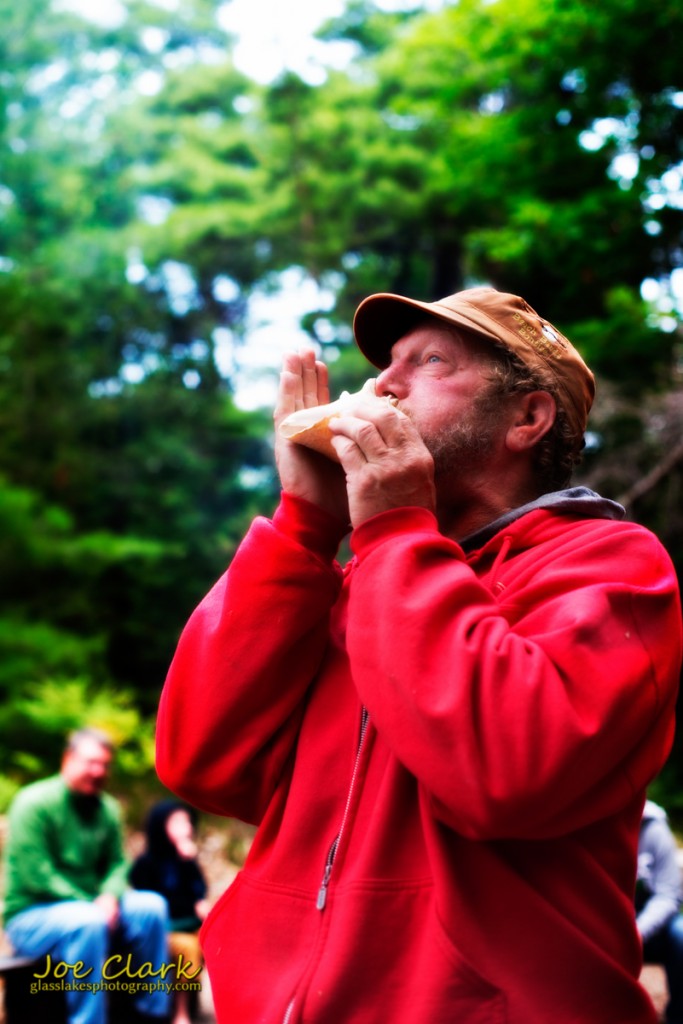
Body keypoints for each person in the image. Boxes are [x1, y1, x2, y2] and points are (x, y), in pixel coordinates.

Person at [155, 286, 683, 1023]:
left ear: (527, 419)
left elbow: (503, 774)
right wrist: (305, 526)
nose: (382, 386)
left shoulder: (611, 565)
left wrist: (395, 529)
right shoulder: (354, 585)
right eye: (385, 366)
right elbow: (202, 763)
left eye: (430, 362)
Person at [3, 727, 172, 1024]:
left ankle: (153, 1013)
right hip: (31, 916)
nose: (98, 771)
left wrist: (109, 896)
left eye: (105, 765)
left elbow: (118, 865)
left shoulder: (107, 808)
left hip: (92, 908)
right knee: (87, 921)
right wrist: (95, 904)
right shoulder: (34, 803)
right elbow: (37, 875)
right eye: (91, 762)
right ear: (67, 759)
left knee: (152, 907)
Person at [130, 800, 209, 1024]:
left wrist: (189, 863)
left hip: (190, 924)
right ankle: (180, 1011)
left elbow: (199, 890)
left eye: (187, 821)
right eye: (177, 822)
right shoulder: (146, 863)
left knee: (219, 939)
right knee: (187, 947)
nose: (186, 827)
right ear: (161, 826)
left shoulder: (186, 860)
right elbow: (159, 903)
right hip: (166, 929)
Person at [637, 800, 683, 1023]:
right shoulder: (588, 819)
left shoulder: (653, 828)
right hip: (605, 925)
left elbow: (668, 894)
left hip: (650, 927)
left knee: (681, 934)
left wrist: (638, 931)